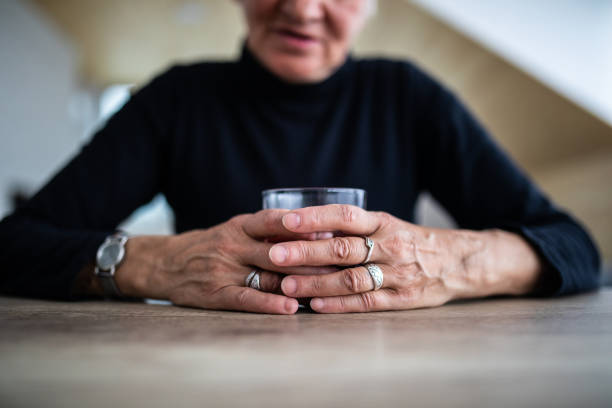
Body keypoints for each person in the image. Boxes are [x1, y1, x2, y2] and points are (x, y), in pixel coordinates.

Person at [0, 0, 601, 314]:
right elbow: (14, 246)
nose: (304, 8)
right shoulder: (176, 99)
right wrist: (156, 265)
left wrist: (446, 262)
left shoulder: (409, 96)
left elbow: (575, 246)